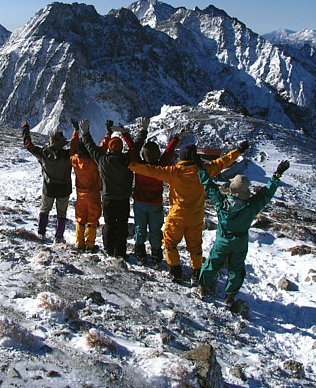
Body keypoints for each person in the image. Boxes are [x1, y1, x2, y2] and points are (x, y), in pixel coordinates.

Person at [128, 141, 247, 284]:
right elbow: (223, 162)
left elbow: (150, 170)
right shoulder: (204, 170)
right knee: (195, 246)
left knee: (170, 243)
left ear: (181, 157)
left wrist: (130, 165)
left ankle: (175, 270)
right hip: (196, 217)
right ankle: (196, 272)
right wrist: (238, 151)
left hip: (177, 215)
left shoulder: (173, 172)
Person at [197, 160, 290, 308]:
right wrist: (276, 176)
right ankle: (229, 297)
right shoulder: (250, 207)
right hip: (240, 243)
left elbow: (210, 187)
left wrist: (201, 170)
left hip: (222, 241)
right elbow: (265, 194)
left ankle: (203, 287)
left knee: (213, 263)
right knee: (236, 268)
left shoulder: (222, 203)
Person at [123, 127, 183, 266]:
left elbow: (132, 149)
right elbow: (168, 153)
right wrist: (177, 138)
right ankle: (156, 255)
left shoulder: (139, 167)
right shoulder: (161, 168)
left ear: (144, 155)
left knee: (140, 228)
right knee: (155, 230)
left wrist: (124, 133)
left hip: (140, 203)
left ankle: (140, 254)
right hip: (155, 204)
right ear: (157, 155)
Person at [79, 119, 133, 259]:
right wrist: (127, 134)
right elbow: (136, 147)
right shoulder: (127, 159)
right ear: (121, 148)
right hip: (123, 199)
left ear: (109, 148)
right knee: (122, 225)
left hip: (108, 198)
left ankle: (109, 249)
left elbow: (91, 148)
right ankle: (120, 252)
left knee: (109, 224)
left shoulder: (102, 160)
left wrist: (85, 133)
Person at [21, 121, 72, 243]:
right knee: (61, 214)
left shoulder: (43, 153)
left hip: (48, 188)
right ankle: (59, 237)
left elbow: (28, 144)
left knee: (44, 210)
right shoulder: (68, 155)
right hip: (64, 189)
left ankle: (41, 233)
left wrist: (25, 129)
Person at [69, 118, 104, 252]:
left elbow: (72, 148)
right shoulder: (95, 161)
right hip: (94, 195)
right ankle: (90, 244)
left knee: (80, 218)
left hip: (80, 195)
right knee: (92, 220)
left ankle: (79, 243)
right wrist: (108, 134)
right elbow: (102, 149)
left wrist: (76, 132)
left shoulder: (75, 160)